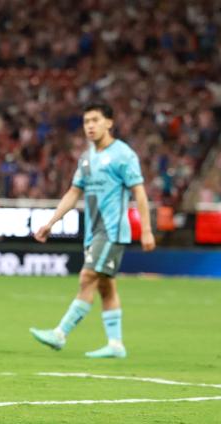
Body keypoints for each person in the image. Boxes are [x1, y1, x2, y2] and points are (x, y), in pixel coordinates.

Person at [30, 102, 155, 358]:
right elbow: (73, 192)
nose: (90, 126)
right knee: (105, 287)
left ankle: (60, 333)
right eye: (86, 121)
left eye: (95, 120)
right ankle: (116, 345)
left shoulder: (123, 154)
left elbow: (139, 192)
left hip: (111, 230)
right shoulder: (86, 158)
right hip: (93, 231)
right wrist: (51, 222)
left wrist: (147, 229)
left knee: (87, 277)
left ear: (109, 123)